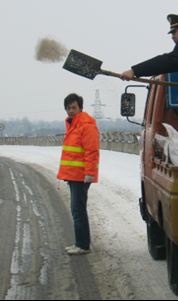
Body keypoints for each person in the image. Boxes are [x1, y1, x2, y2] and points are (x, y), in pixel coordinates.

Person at [57, 93, 100, 255]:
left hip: (81, 176)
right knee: (77, 210)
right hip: (73, 175)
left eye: (73, 108)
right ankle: (80, 243)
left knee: (78, 210)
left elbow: (92, 150)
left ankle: (83, 245)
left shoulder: (86, 125)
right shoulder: (73, 125)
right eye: (68, 108)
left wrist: (89, 173)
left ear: (80, 108)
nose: (70, 111)